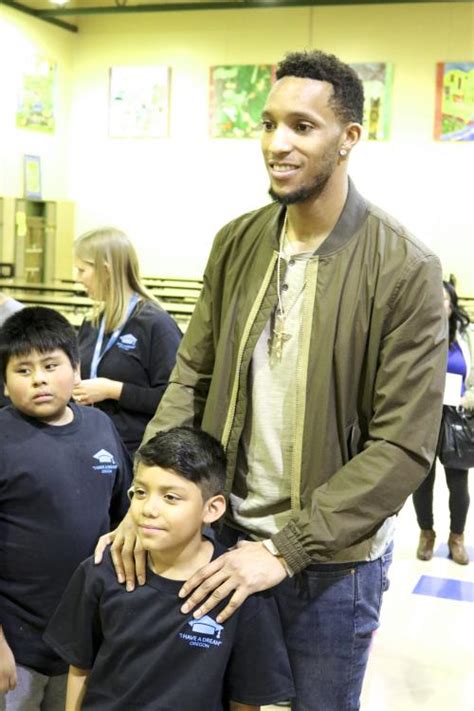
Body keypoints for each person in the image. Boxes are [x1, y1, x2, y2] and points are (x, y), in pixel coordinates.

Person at [98, 50, 448, 711]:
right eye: (268, 123)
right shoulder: (238, 242)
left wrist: (288, 549)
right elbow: (192, 374)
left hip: (332, 566)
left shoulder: (404, 269)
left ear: (349, 139)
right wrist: (152, 498)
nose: (276, 143)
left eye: (302, 126)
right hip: (220, 536)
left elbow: (402, 446)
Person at [45, 427, 294, 711]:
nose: (148, 508)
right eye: (140, 492)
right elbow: (80, 669)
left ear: (212, 509)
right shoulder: (101, 571)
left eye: (170, 497)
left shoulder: (240, 590)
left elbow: (246, 699)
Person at [0, 307, 132, 710]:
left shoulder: (100, 427)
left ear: (76, 370)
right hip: (14, 646)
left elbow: (123, 518)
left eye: (50, 365)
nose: (38, 378)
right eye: (23, 370)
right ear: (4, 384)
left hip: (84, 640)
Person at [73, 227, 182, 456]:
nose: (77, 278)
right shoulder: (92, 322)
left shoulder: (156, 325)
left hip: (135, 451)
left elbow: (174, 398)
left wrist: (113, 390)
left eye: (82, 270)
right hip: (89, 441)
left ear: (106, 270)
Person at [413, 280, 473, 565]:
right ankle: (426, 534)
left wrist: (469, 398)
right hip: (423, 418)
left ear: (452, 303)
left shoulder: (467, 335)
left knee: (458, 485)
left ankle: (457, 537)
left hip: (456, 419)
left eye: (445, 299)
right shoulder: (418, 332)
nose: (440, 303)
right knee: (422, 483)